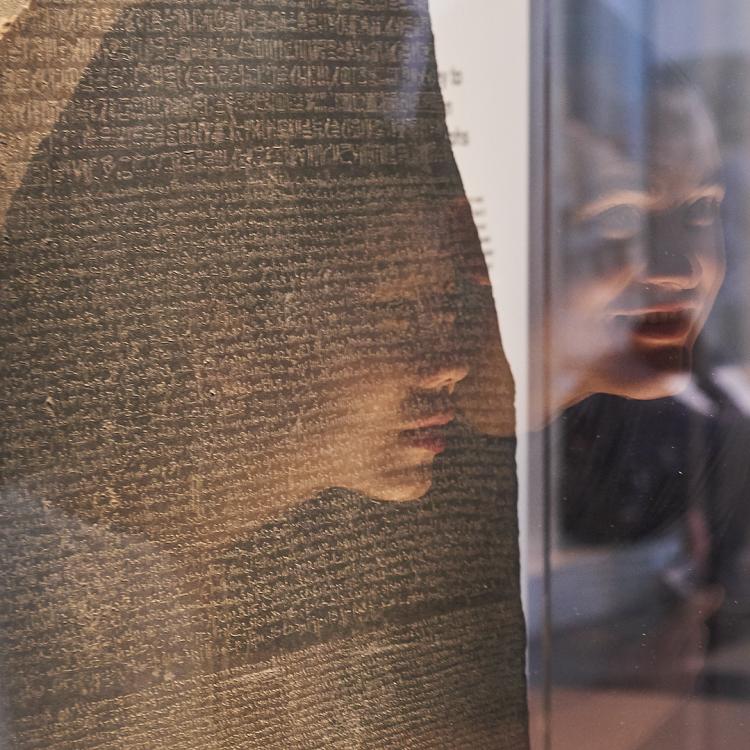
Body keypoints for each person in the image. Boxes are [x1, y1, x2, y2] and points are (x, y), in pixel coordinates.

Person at [0, 1, 527, 747]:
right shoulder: (39, 583)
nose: (448, 363)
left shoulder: (326, 575)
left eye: (442, 304)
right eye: (392, 311)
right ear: (229, 343)